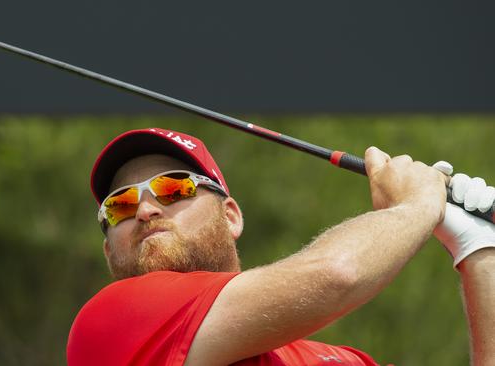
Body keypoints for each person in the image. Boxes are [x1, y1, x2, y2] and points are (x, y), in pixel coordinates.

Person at [67, 127, 495, 365]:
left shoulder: (337, 359)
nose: (144, 210)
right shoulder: (111, 323)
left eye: (173, 189)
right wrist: (420, 203)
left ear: (230, 216)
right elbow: (337, 274)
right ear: (109, 251)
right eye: (119, 205)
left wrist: (477, 249)